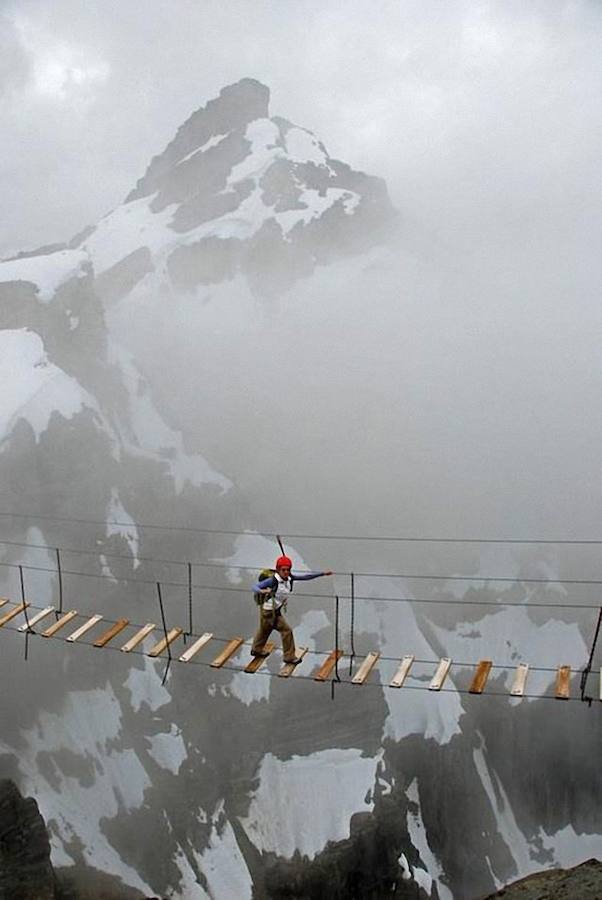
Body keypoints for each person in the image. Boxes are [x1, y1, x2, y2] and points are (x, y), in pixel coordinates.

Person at [251, 555, 333, 664]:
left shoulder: (290, 578)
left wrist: (322, 574)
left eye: (288, 569)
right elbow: (255, 587)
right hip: (269, 612)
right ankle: (288, 657)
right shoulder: (273, 580)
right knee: (286, 630)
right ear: (278, 570)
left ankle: (256, 649)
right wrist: (262, 591)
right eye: (283, 570)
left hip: (274, 610)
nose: (286, 572)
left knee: (265, 630)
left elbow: (306, 577)